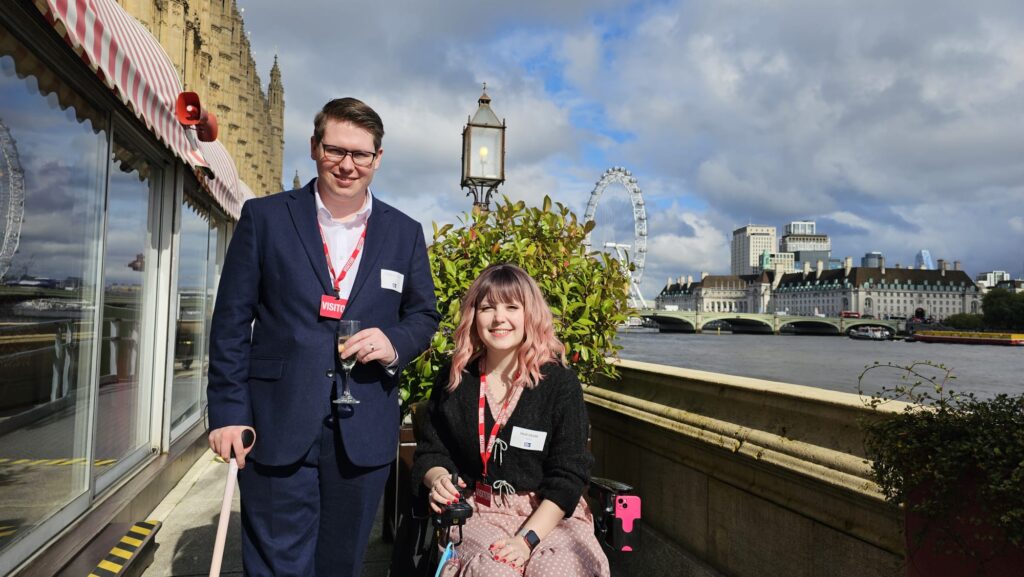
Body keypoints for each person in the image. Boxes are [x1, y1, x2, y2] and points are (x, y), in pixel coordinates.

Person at [207, 97, 440, 577]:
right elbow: (231, 321)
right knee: (276, 564)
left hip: (364, 430)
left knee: (341, 564)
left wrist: (395, 342)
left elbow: (423, 315)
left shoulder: (405, 232)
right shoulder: (264, 218)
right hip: (275, 421)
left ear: (377, 158)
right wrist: (228, 414)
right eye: (336, 150)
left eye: (361, 154)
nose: (347, 165)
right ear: (314, 147)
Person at [411, 264, 610, 576]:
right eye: (487, 307)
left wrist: (526, 540)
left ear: (529, 315)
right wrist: (437, 480)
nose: (499, 318)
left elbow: (569, 475)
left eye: (512, 307)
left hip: (549, 515)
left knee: (557, 569)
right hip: (479, 511)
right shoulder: (455, 380)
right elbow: (431, 453)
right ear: (474, 316)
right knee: (496, 572)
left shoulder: (558, 384)